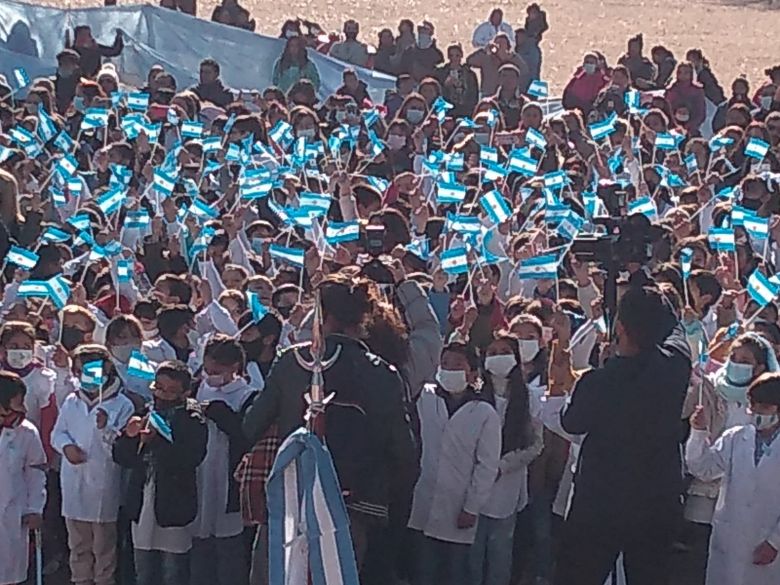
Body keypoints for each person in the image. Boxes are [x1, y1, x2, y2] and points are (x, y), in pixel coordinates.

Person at [243, 274, 418, 581]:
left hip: (294, 497)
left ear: (322, 315)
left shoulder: (290, 361)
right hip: (355, 502)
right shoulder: (382, 371)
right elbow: (405, 453)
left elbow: (251, 426)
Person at [555, 285, 691, 585]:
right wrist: (647, 292)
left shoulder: (598, 382)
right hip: (656, 502)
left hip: (599, 505)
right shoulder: (675, 368)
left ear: (619, 327)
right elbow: (676, 330)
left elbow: (572, 422)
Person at [408, 342, 501, 585]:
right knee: (422, 571)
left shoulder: (484, 413)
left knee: (456, 573)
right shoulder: (425, 398)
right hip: (423, 499)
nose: (450, 370)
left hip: (459, 506)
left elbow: (487, 466)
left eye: (458, 365)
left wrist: (472, 506)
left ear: (472, 373)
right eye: (445, 364)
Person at [113, 360, 208, 585]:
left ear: (185, 392)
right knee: (143, 570)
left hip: (173, 504)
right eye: (159, 388)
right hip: (142, 501)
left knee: (172, 571)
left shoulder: (192, 419)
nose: (163, 396)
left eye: (171, 391)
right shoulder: (145, 411)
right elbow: (122, 457)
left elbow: (190, 459)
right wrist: (129, 437)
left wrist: (157, 441)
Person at [51, 345, 135, 585]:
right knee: (77, 546)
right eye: (78, 372)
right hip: (73, 483)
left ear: (106, 369)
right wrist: (66, 447)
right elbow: (58, 433)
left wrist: (104, 428)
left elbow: (120, 449)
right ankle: (80, 580)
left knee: (103, 548)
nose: (83, 378)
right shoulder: (71, 401)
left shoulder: (122, 404)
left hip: (103, 487)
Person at [687, 371, 780, 585]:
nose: (756, 411)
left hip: (767, 543)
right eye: (754, 404)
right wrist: (699, 432)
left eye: (765, 406)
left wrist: (775, 542)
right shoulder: (736, 437)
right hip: (729, 539)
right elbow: (703, 468)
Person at [470, 334, 543, 585]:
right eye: (492, 352)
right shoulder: (474, 395)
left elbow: (536, 444)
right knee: (472, 555)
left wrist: (504, 465)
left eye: (504, 351)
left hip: (507, 486)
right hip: (473, 485)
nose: (498, 356)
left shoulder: (528, 398)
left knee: (500, 553)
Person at [190, 335, 255, 585]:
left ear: (234, 368)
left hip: (228, 480)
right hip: (199, 475)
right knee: (199, 546)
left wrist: (222, 415)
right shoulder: (197, 388)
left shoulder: (248, 395)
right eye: (207, 369)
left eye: (216, 371)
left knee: (229, 549)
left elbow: (246, 435)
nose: (210, 376)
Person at [0, 371, 46, 585]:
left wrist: (34, 508)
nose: (24, 409)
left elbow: (35, 473)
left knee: (10, 575)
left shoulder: (27, 433)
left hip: (12, 515)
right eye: (18, 403)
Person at [467, 33, 527, 98]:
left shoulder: (513, 58)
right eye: (497, 43)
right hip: (488, 93)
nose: (500, 45)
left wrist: (510, 58)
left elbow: (524, 70)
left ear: (507, 45)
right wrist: (484, 50)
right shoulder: (487, 57)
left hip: (508, 93)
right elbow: (470, 61)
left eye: (502, 43)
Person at [435, 44, 479, 119]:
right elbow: (436, 91)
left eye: (457, 55)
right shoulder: (441, 72)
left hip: (465, 111)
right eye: (451, 55)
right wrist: (445, 85)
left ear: (462, 55)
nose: (454, 58)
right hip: (447, 110)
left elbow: (474, 93)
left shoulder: (469, 74)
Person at [666, 62, 707, 134]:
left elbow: (700, 112)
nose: (682, 75)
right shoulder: (671, 89)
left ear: (691, 74)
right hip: (672, 127)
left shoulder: (697, 90)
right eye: (680, 72)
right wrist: (675, 125)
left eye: (686, 72)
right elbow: (667, 108)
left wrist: (689, 127)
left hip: (691, 129)